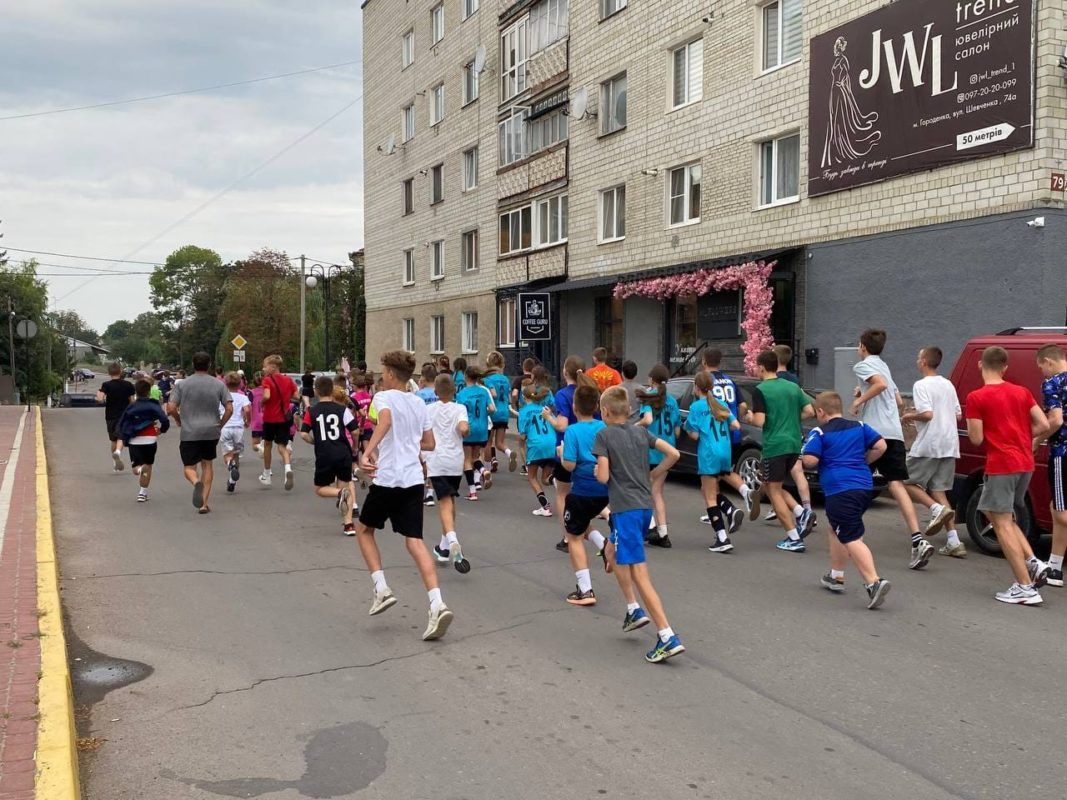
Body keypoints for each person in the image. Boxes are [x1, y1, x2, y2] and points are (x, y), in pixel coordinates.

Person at [356, 350, 453, 641]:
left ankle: (381, 588)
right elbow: (430, 443)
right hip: (413, 479)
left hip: (388, 478)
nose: (380, 375)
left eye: (382, 371)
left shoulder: (383, 397)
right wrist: (411, 446)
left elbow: (384, 421)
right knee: (415, 541)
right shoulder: (418, 403)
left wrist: (369, 451)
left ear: (390, 374)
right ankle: (437, 604)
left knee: (364, 530)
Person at [594, 386, 686, 664]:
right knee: (612, 550)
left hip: (625, 509)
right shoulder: (640, 432)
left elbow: (603, 476)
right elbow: (674, 454)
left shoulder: (604, 435)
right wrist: (652, 475)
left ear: (606, 412)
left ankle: (667, 635)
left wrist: (597, 470)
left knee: (640, 573)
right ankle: (632, 609)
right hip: (644, 507)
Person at [965, 346, 1051, 604]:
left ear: (980, 364)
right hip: (1025, 462)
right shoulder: (1022, 392)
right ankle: (1033, 562)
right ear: (1005, 367)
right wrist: (1025, 436)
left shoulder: (976, 397)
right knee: (997, 513)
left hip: (1001, 464)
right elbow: (1044, 425)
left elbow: (976, 438)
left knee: (1001, 523)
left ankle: (1025, 587)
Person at [850, 329, 933, 570]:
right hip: (893, 432)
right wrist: (865, 392)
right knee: (896, 483)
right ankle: (917, 539)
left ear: (863, 347)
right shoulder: (884, 366)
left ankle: (848, 527)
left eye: (858, 345)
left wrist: (858, 400)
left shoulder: (863, 366)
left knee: (857, 474)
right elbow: (897, 400)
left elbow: (880, 384)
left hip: (873, 431)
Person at [800, 392, 892, 609]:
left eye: (816, 413)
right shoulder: (860, 426)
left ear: (821, 412)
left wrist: (803, 456)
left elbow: (810, 460)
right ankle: (836, 576)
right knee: (836, 528)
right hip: (863, 486)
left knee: (850, 536)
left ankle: (874, 582)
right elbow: (881, 446)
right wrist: (863, 461)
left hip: (840, 489)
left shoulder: (820, 432)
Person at [746, 350, 815, 552]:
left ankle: (794, 537)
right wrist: (791, 421)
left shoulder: (760, 390)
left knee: (773, 490)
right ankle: (801, 512)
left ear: (761, 367)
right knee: (770, 484)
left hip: (774, 445)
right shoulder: (793, 386)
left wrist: (749, 417)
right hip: (794, 443)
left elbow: (760, 421)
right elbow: (810, 411)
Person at [901, 347, 964, 556]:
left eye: (919, 357)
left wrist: (910, 416)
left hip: (930, 442)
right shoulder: (948, 384)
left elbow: (927, 414)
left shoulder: (921, 385)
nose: (917, 361)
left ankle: (936, 509)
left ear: (925, 362)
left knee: (903, 481)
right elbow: (957, 415)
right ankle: (954, 541)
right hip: (949, 443)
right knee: (939, 491)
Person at [559, 384, 611, 606]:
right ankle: (604, 544)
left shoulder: (572, 431)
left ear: (574, 407)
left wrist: (561, 453)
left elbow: (569, 466)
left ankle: (585, 589)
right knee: (581, 523)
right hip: (604, 490)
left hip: (582, 489)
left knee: (573, 537)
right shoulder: (604, 428)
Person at [167, 352, 232, 514]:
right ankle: (203, 504)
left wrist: (178, 419)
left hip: (189, 431)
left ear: (193, 364)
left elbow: (171, 407)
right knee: (207, 464)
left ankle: (196, 482)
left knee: (189, 467)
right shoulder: (219, 384)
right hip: (211, 431)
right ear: (209, 364)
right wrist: (220, 424)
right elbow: (230, 408)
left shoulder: (182, 384)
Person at [544, 357, 597, 553]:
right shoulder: (592, 391)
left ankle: (568, 536)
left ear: (566, 372)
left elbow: (562, 425)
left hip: (568, 448)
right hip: (591, 448)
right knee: (588, 492)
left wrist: (548, 416)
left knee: (562, 493)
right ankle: (591, 531)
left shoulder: (563, 395)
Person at [698, 348, 755, 531]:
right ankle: (741, 494)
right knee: (722, 472)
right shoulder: (729, 380)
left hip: (714, 434)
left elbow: (701, 407)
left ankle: (722, 505)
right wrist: (737, 419)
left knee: (713, 474)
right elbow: (743, 405)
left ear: (704, 361)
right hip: (732, 432)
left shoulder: (705, 381)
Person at [685, 372, 741, 553]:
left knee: (709, 496)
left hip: (709, 452)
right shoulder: (721, 403)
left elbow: (694, 435)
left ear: (696, 387)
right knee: (708, 489)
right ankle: (730, 510)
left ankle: (722, 537)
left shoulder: (696, 406)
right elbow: (736, 425)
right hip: (725, 450)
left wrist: (694, 430)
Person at [425, 374, 471, 572]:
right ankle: (444, 547)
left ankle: (452, 539)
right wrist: (464, 428)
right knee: (450, 499)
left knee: (444, 500)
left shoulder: (428, 410)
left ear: (435, 392)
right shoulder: (460, 408)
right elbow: (463, 428)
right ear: (454, 391)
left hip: (436, 460)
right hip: (455, 461)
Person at [301, 376, 359, 536]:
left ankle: (338, 493)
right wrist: (354, 447)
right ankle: (349, 525)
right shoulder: (342, 409)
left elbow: (304, 434)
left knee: (320, 489)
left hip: (324, 453)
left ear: (315, 391)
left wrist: (315, 441)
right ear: (331, 390)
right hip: (343, 453)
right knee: (345, 484)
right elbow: (354, 430)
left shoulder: (311, 411)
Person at [766, 344, 815, 529]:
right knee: (797, 472)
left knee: (773, 478)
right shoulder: (794, 380)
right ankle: (807, 508)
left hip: (778, 435)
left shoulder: (773, 381)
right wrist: (795, 418)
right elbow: (809, 409)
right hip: (795, 433)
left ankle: (791, 509)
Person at [636, 365, 680, 547]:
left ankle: (651, 528)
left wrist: (633, 427)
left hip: (649, 451)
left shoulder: (649, 397)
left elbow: (648, 420)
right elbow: (677, 431)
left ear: (652, 379)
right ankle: (663, 532)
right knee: (657, 492)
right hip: (667, 452)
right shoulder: (672, 401)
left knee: (641, 491)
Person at [1037, 344, 1067, 586]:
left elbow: (1055, 420)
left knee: (1061, 511)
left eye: (1041, 367)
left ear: (1048, 361)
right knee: (1056, 508)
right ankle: (1055, 568)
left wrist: (1036, 439)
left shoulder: (1053, 383)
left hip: (1063, 452)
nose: (1042, 372)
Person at [117, 379, 170, 502]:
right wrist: (162, 430)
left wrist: (123, 437)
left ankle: (140, 469)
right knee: (148, 465)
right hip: (150, 438)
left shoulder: (131, 406)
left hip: (134, 440)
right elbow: (165, 419)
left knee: (136, 468)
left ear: (136, 391)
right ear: (148, 391)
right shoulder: (153, 404)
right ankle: (143, 492)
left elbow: (122, 423)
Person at [259, 354, 299, 490]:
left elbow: (267, 395)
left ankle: (266, 474)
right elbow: (296, 396)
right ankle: (287, 468)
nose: (264, 368)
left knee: (268, 445)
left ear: (272, 367)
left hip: (270, 418)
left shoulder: (267, 380)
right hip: (284, 418)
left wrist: (262, 402)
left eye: (265, 366)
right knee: (282, 446)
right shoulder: (288, 380)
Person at [518, 381, 558, 517]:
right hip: (551, 442)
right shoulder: (545, 409)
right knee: (545, 479)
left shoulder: (524, 411)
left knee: (532, 477)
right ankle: (555, 480)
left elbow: (523, 434)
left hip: (536, 445)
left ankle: (545, 507)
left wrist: (521, 444)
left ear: (524, 397)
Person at [97, 362, 135, 472]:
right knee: (121, 436)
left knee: (113, 439)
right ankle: (118, 452)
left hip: (110, 415)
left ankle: (115, 462)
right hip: (124, 415)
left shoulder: (106, 385)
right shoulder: (128, 385)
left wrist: (98, 395)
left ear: (109, 373)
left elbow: (100, 399)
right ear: (121, 371)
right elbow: (132, 401)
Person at [483, 352, 516, 472]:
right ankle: (509, 452)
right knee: (500, 443)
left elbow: (492, 394)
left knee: (488, 442)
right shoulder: (505, 379)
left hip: (492, 413)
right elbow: (508, 395)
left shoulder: (487, 379)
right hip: (504, 413)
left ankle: (487, 470)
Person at [221, 372, 251, 494]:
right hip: (238, 428)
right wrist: (247, 420)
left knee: (227, 454)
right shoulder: (243, 397)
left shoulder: (222, 397)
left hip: (225, 427)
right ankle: (232, 481)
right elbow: (247, 409)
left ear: (225, 384)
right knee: (237, 454)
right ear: (240, 384)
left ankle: (230, 464)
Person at [511, 357, 538, 474]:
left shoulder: (518, 380)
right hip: (535, 412)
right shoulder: (535, 380)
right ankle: (535, 461)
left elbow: (514, 394)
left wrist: (514, 404)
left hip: (522, 412)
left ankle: (526, 464)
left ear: (523, 367)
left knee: (522, 440)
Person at [250, 372, 265, 454]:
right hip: (267, 420)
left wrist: (246, 418)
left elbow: (249, 406)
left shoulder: (252, 393)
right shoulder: (267, 391)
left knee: (255, 445)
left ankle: (259, 447)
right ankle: (266, 464)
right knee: (266, 444)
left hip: (256, 421)